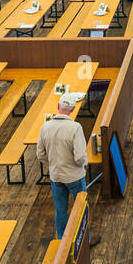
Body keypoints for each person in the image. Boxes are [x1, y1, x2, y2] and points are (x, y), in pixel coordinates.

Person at [35, 93, 88, 238]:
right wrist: (84, 164)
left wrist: (53, 163)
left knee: (60, 211)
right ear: (72, 109)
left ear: (58, 107)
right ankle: (84, 240)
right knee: (81, 209)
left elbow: (40, 155)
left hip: (56, 176)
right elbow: (79, 157)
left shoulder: (45, 127)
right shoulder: (75, 128)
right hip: (74, 176)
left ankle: (61, 241)